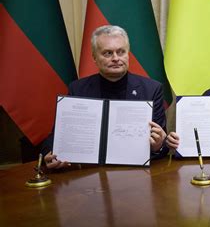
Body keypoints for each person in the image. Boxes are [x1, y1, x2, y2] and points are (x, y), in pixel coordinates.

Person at [42, 25, 179, 169]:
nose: (116, 58)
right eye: (107, 53)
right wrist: (49, 153)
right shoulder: (78, 89)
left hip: (135, 173)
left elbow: (161, 145)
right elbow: (58, 135)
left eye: (121, 52)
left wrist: (158, 146)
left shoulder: (151, 89)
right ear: (94, 57)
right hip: (89, 175)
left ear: (128, 54)